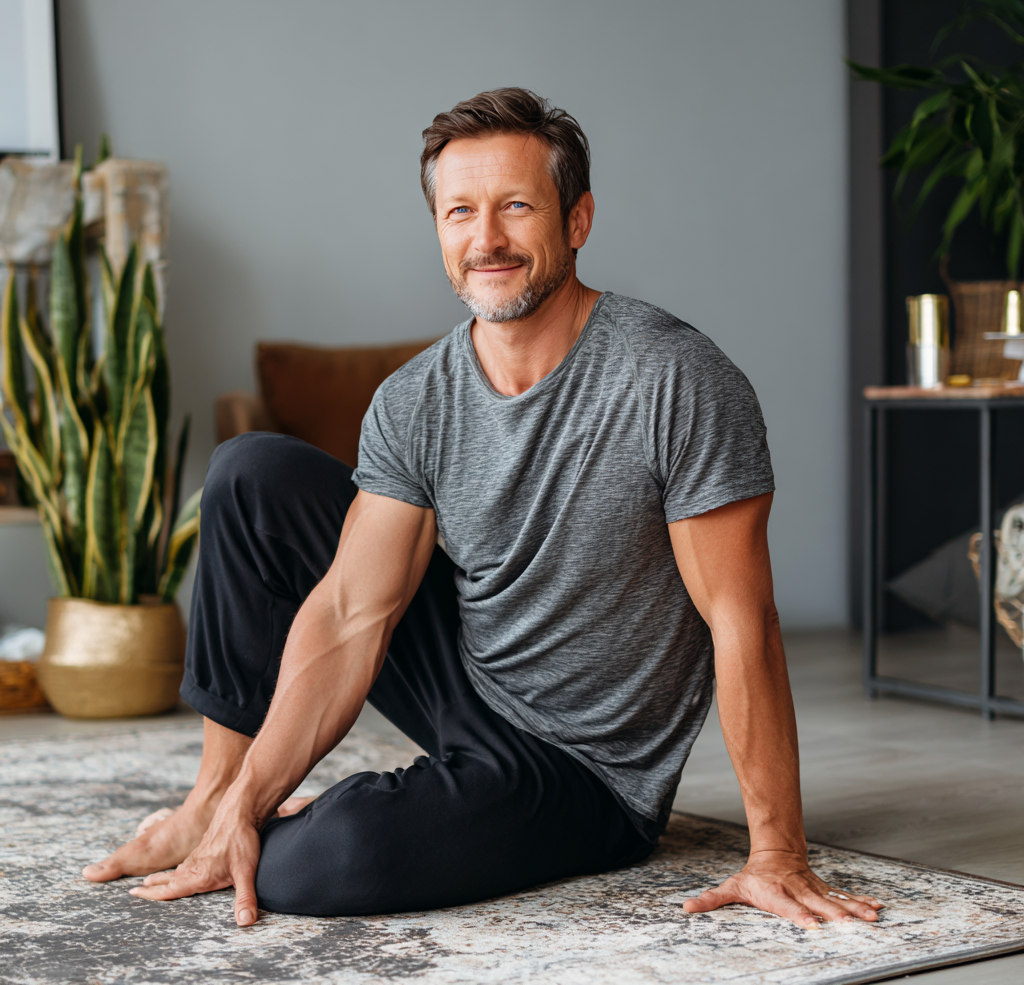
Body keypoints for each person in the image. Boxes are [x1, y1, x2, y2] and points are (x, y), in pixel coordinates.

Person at [83, 88, 883, 930]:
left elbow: (740, 619)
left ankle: (312, 823)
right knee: (250, 471)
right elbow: (354, 611)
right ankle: (213, 801)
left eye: (515, 207)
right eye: (460, 210)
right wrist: (246, 799)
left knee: (324, 864)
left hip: (582, 768)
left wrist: (778, 854)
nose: (486, 239)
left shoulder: (674, 379)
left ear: (578, 220)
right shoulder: (414, 399)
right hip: (469, 671)